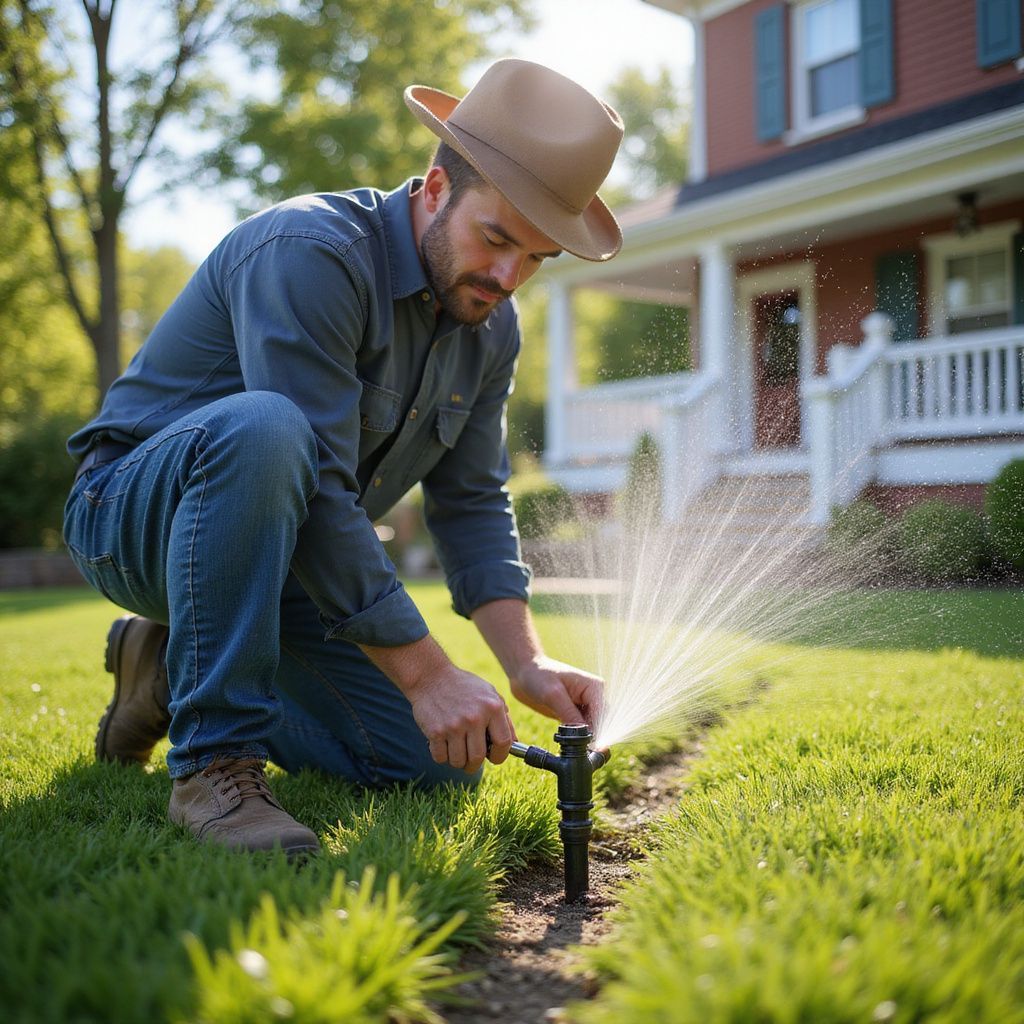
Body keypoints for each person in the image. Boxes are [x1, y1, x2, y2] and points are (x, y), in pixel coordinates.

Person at [63, 58, 624, 857]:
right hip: (126, 517)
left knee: (436, 766)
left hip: (285, 560)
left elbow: (470, 501)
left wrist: (525, 664)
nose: (509, 277)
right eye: (496, 239)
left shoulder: (490, 326)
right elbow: (318, 481)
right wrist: (428, 674)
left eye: (537, 259)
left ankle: (164, 666)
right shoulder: (309, 252)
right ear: (436, 189)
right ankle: (215, 764)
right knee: (268, 427)